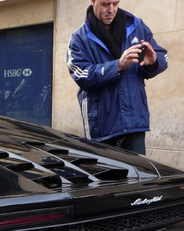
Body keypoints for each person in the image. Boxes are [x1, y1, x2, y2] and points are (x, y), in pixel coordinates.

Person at [66, 0, 168, 155]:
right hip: (102, 125)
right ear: (93, 1)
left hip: (134, 121)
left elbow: (163, 57)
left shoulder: (137, 26)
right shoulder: (79, 38)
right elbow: (82, 75)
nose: (111, 9)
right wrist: (118, 66)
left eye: (115, 3)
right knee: (106, 177)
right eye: (106, 4)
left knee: (137, 176)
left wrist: (154, 61)